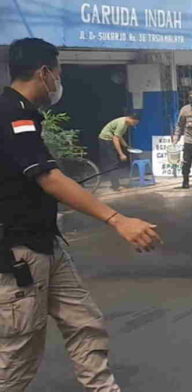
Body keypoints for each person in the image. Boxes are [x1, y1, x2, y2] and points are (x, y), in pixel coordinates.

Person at [0, 38, 162, 391]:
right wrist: (117, 219)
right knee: (18, 356)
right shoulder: (12, 114)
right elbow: (48, 177)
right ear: (44, 73)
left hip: (46, 243)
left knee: (84, 322)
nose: (59, 82)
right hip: (18, 251)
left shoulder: (24, 112)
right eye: (58, 73)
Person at [98, 114, 140, 191]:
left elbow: (119, 136)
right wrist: (121, 154)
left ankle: (115, 184)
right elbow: (115, 139)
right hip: (106, 140)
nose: (134, 125)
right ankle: (115, 186)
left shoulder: (125, 122)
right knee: (114, 163)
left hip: (106, 139)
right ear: (131, 119)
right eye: (134, 123)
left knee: (113, 162)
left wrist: (126, 146)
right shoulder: (122, 124)